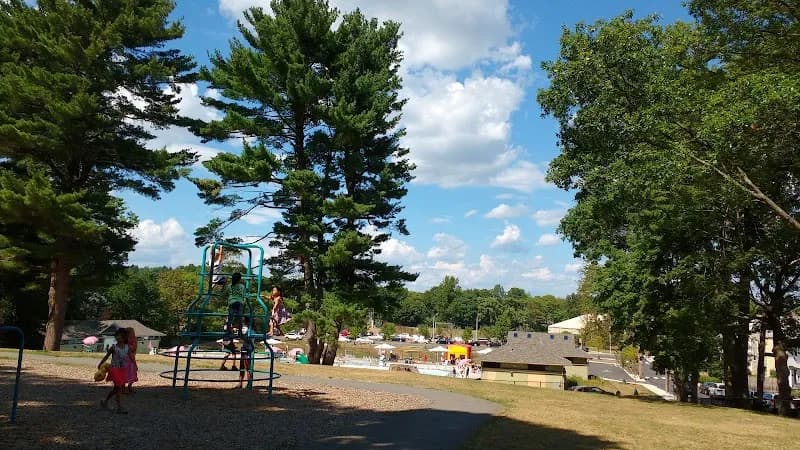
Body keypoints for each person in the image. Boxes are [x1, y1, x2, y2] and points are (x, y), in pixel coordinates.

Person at [98, 328, 129, 414]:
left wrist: (134, 366)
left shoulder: (127, 347)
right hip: (114, 369)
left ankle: (105, 401)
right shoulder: (114, 347)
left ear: (124, 338)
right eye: (116, 335)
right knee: (119, 388)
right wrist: (101, 364)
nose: (117, 337)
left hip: (122, 370)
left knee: (116, 389)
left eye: (119, 336)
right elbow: (106, 356)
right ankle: (119, 407)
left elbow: (130, 357)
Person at [224, 272, 245, 338]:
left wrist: (224, 285)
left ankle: (228, 331)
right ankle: (240, 332)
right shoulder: (242, 286)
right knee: (240, 318)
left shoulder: (230, 286)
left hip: (232, 302)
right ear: (240, 279)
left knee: (230, 317)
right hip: (239, 302)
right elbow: (244, 294)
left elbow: (224, 293)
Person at [125, 327, 138, 394]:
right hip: (127, 359)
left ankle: (129, 387)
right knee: (126, 374)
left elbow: (134, 349)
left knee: (132, 373)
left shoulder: (134, 339)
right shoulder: (126, 341)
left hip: (130, 358)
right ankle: (124, 388)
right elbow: (130, 351)